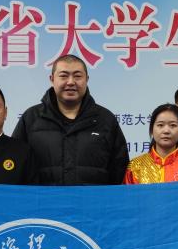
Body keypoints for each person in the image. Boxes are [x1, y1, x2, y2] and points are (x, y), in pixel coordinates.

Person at [12, 54, 129, 186]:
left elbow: (120, 170)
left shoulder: (105, 119)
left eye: (77, 76)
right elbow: (15, 165)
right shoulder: (31, 118)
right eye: (64, 76)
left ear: (87, 79)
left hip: (93, 199)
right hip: (43, 199)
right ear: (52, 79)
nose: (71, 82)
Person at [125, 104, 178, 184]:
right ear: (152, 129)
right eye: (160, 125)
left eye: (173, 125)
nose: (166, 131)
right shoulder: (135, 166)